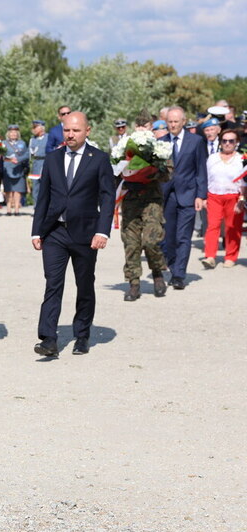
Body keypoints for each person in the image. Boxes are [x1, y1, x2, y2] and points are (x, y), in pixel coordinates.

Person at [31, 112, 115, 358]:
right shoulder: (53, 158)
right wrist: (37, 230)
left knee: (84, 285)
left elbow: (108, 197)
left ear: (87, 131)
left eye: (76, 130)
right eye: (67, 130)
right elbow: (43, 196)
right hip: (55, 232)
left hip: (86, 235)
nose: (71, 134)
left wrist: (102, 231)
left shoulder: (99, 159)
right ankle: (48, 339)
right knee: (53, 284)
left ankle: (82, 334)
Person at [119, 114, 169, 301]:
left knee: (151, 240)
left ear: (152, 127)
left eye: (145, 125)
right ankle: (133, 283)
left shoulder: (160, 148)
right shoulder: (125, 146)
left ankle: (157, 272)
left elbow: (168, 174)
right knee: (131, 243)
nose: (141, 127)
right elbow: (116, 169)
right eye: (138, 125)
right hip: (131, 200)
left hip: (151, 201)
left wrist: (153, 171)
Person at [159, 106, 208, 289]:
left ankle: (179, 274)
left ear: (183, 122)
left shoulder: (195, 141)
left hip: (188, 194)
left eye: (176, 122)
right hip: (167, 196)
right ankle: (172, 266)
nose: (173, 125)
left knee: (183, 237)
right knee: (168, 237)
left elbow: (201, 169)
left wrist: (201, 195)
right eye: (170, 122)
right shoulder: (160, 142)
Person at [201, 129, 245, 269]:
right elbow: (206, 178)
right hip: (214, 195)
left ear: (236, 142)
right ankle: (210, 256)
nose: (227, 144)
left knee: (232, 227)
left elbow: (245, 181)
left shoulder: (241, 159)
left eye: (231, 141)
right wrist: (203, 197)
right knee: (212, 226)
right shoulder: (212, 158)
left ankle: (231, 256)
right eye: (224, 141)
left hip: (234, 196)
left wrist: (242, 199)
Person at [1, 124, 29, 216]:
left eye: (15, 132)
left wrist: (19, 160)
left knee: (18, 190)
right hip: (7, 168)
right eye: (11, 132)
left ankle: (17, 209)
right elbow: (1, 155)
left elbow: (26, 154)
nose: (13, 134)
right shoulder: (4, 143)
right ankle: (8, 209)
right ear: (8, 133)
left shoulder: (22, 143)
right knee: (8, 189)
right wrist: (9, 159)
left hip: (18, 168)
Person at [28, 120, 47, 208]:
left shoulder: (49, 137)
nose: (33, 129)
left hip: (46, 163)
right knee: (36, 186)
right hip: (36, 163)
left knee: (46, 185)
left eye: (35, 127)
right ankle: (36, 206)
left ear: (41, 127)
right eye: (33, 127)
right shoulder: (32, 140)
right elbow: (30, 154)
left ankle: (46, 206)